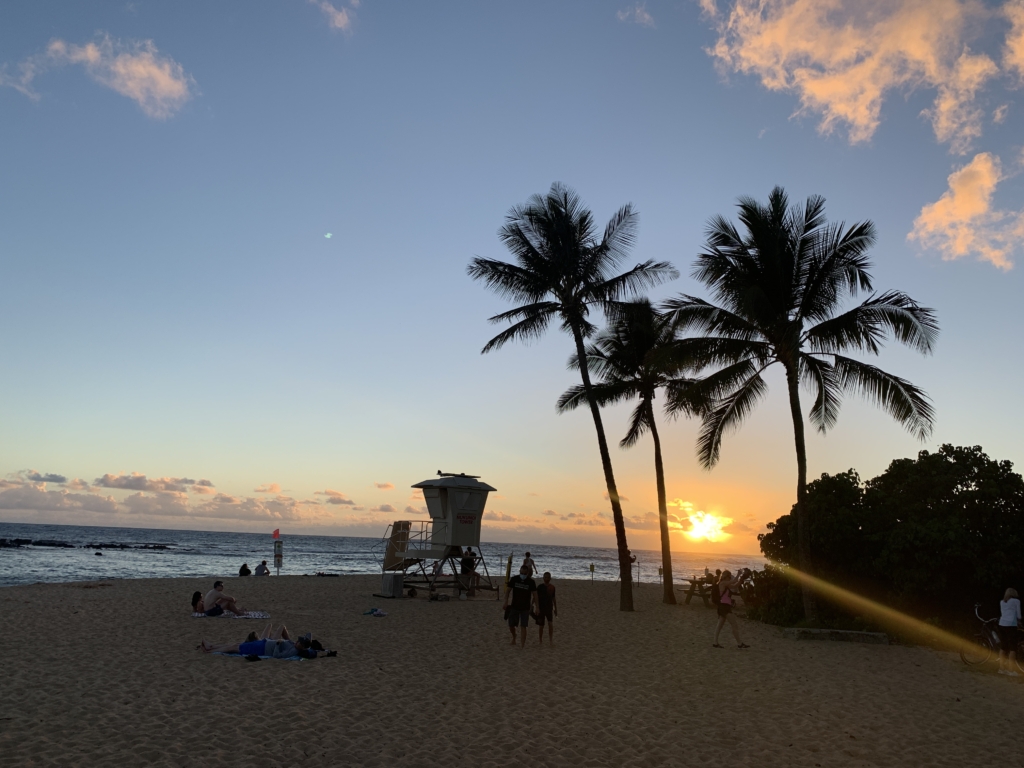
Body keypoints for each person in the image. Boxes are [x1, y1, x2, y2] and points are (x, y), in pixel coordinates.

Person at [199, 624, 323, 659]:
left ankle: (210, 650)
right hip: (264, 643)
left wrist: (278, 644)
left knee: (235, 647)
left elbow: (277, 656)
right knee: (237, 644)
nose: (297, 642)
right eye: (298, 641)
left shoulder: (293, 651)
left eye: (299, 643)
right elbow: (306, 636)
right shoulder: (293, 645)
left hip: (262, 649)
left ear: (302, 647)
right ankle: (212, 646)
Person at [712, 570, 749, 649]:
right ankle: (739, 643)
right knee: (734, 624)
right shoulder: (722, 583)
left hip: (725, 606)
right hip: (724, 607)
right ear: (726, 576)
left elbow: (735, 586)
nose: (730, 578)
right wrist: (738, 574)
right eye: (729, 576)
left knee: (719, 625)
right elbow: (734, 581)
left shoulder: (726, 584)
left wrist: (741, 579)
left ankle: (715, 643)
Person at [503, 565, 537, 647]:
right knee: (511, 625)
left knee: (523, 626)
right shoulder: (514, 579)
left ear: (527, 573)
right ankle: (514, 636)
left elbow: (535, 595)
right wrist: (506, 602)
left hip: (525, 608)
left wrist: (537, 607)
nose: (523, 575)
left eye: (525, 574)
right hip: (515, 606)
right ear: (519, 571)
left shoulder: (531, 582)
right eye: (521, 573)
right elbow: (508, 591)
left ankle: (522, 645)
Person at [998, 587, 1022, 676]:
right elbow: (1019, 615)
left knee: (1003, 647)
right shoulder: (1016, 601)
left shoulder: (1002, 602)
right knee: (1013, 648)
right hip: (1011, 625)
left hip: (1002, 624)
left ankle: (1001, 668)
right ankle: (1011, 670)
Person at [536, 572, 557, 645]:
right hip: (541, 608)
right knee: (541, 625)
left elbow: (554, 598)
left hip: (549, 608)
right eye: (545, 577)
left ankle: (551, 640)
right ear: (543, 578)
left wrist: (555, 609)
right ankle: (540, 640)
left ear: (550, 578)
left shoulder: (552, 587)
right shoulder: (540, 587)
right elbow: (536, 597)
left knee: (550, 624)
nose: (547, 579)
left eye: (548, 577)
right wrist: (534, 606)